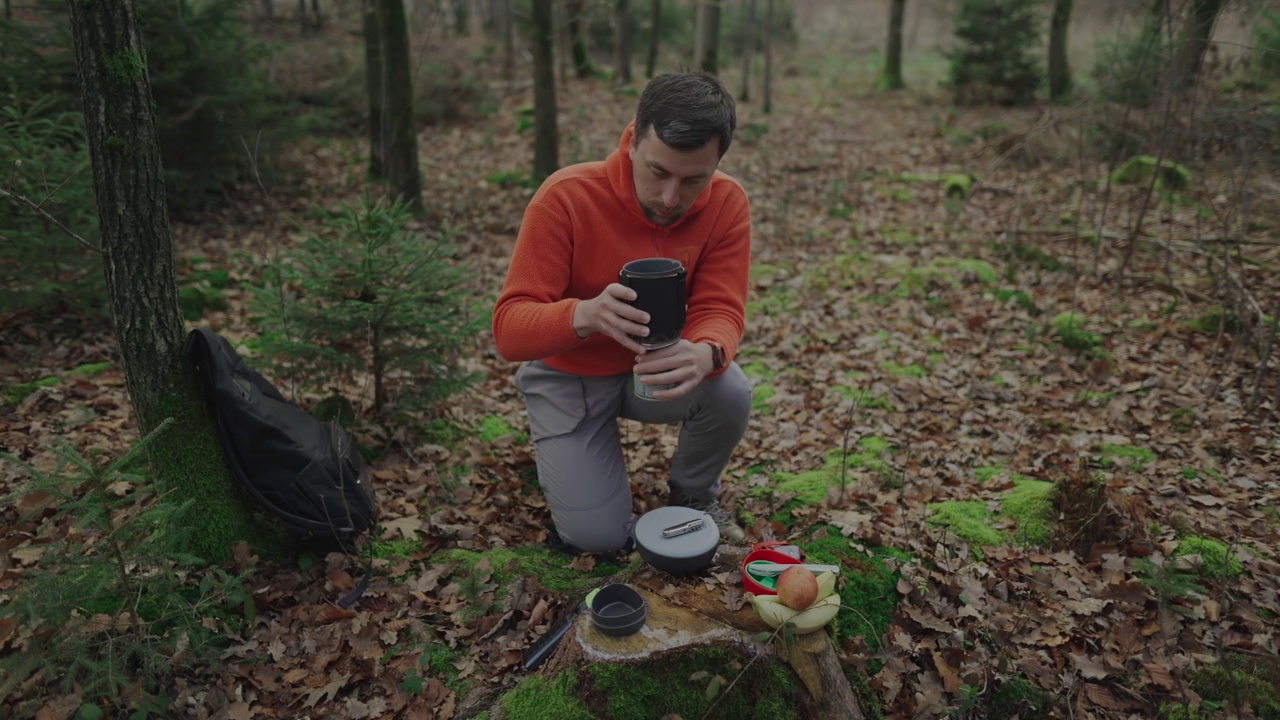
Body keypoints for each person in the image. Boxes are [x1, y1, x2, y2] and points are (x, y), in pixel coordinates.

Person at [492, 71, 753, 553]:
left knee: (730, 386)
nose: (671, 198)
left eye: (694, 179)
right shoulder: (566, 197)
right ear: (632, 141)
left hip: (654, 371)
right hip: (567, 378)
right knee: (598, 539)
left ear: (717, 163)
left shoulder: (727, 202)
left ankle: (694, 495)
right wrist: (584, 316)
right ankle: (575, 470)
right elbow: (509, 330)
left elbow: (721, 306)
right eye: (658, 172)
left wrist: (705, 352)